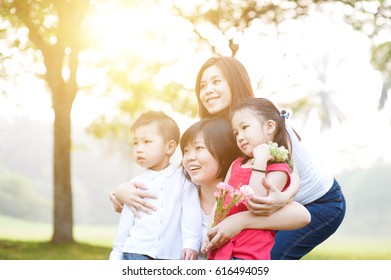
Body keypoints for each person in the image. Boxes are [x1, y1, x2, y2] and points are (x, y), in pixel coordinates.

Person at [110, 56, 346, 260]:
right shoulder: (229, 131)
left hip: (316, 203)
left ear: (235, 82)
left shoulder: (262, 120)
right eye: (202, 85)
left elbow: (291, 170)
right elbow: (184, 170)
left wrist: (282, 198)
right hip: (265, 204)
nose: (207, 90)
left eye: (216, 81)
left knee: (268, 258)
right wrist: (123, 190)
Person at [179, 117, 310, 259]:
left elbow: (302, 215)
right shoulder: (182, 192)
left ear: (223, 152)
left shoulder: (242, 194)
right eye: (185, 150)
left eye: (199, 148)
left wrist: (240, 221)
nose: (189, 157)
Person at [205, 98, 293, 260]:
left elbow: (255, 201)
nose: (239, 136)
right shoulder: (237, 164)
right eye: (236, 132)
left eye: (245, 127)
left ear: (269, 127)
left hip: (248, 252)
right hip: (221, 246)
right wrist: (211, 229)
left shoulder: (279, 169)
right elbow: (220, 200)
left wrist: (260, 160)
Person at [109, 111, 202, 260]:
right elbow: (125, 224)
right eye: (135, 143)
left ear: (169, 147)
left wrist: (191, 244)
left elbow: (191, 215)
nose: (139, 148)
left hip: (171, 255)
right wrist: (116, 253)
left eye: (146, 142)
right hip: (135, 253)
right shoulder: (133, 185)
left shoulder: (184, 181)